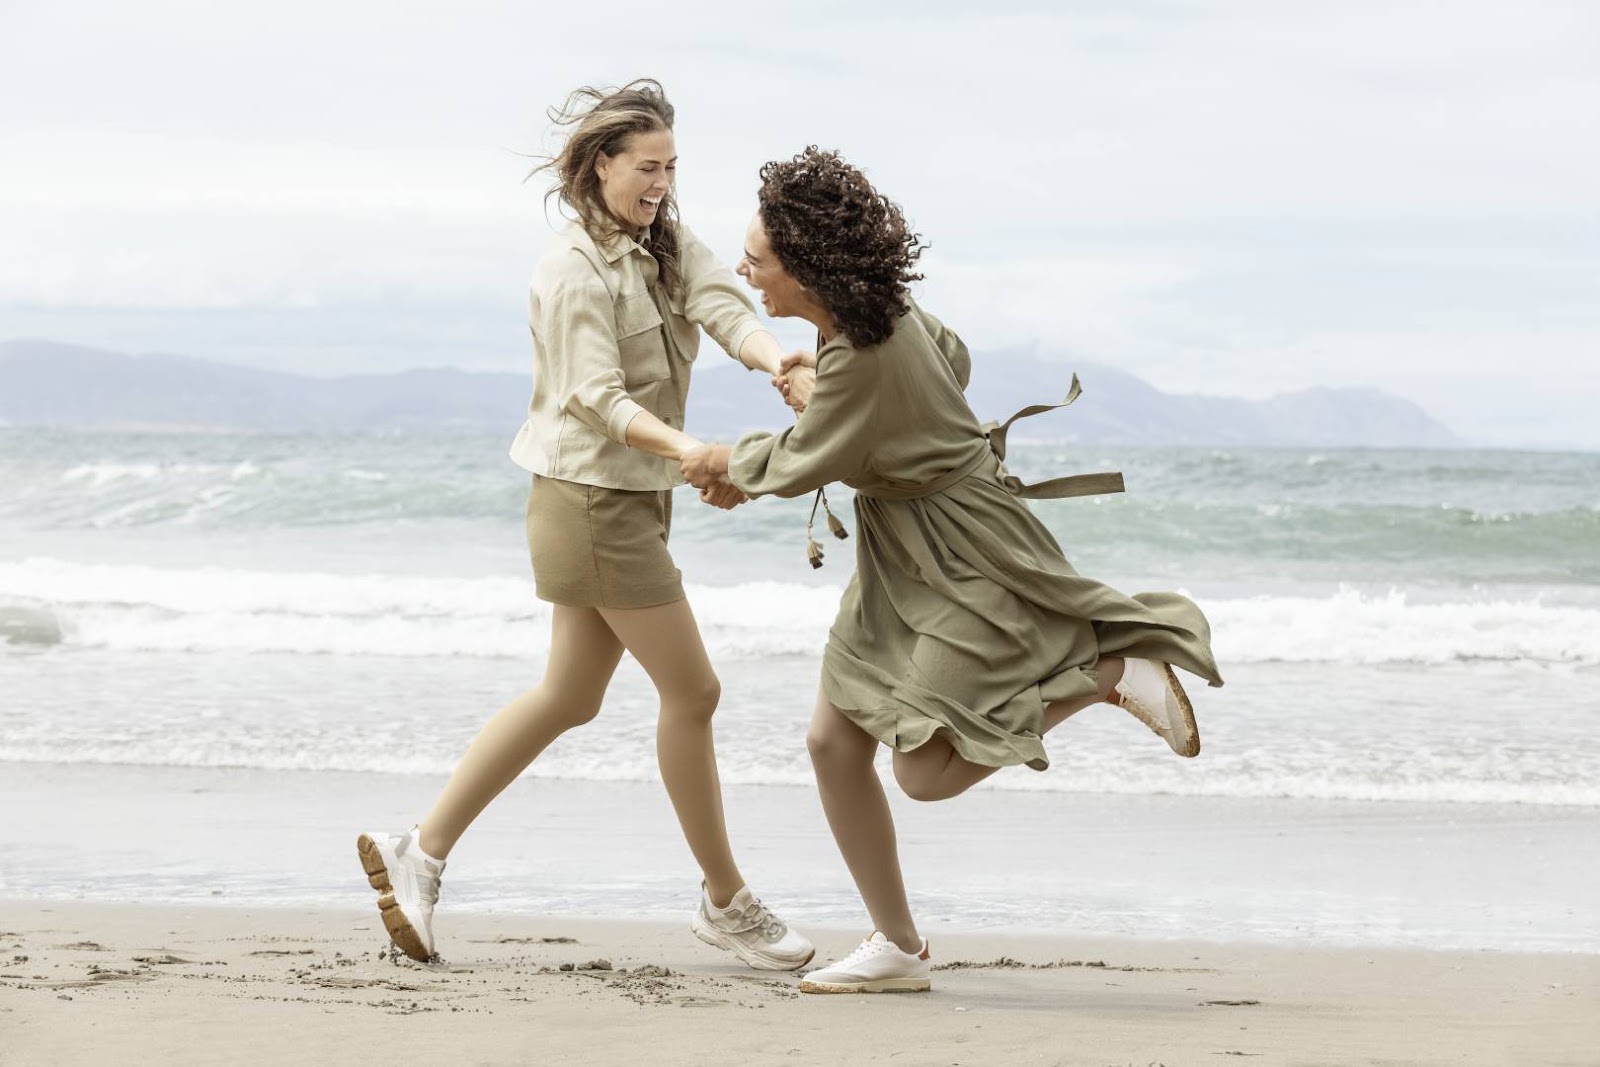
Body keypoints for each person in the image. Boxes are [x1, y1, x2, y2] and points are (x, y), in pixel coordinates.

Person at [681, 147, 1224, 994]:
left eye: (759, 260)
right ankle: (897, 945)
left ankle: (1114, 669)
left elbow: (797, 461)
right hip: (901, 554)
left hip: (960, 549)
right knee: (832, 741)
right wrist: (818, 381)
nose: (749, 273)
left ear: (808, 265)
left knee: (924, 772)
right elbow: (949, 364)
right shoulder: (873, 320)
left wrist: (721, 458)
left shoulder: (859, 351)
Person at [356, 81, 813, 971]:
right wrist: (697, 450)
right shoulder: (570, 268)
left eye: (672, 166)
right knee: (695, 694)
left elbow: (723, 307)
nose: (662, 183)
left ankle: (422, 850)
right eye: (647, 167)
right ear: (600, 164)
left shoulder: (666, 242)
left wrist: (780, 358)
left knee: (569, 696)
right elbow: (595, 398)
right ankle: (726, 900)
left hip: (627, 499)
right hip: (593, 502)